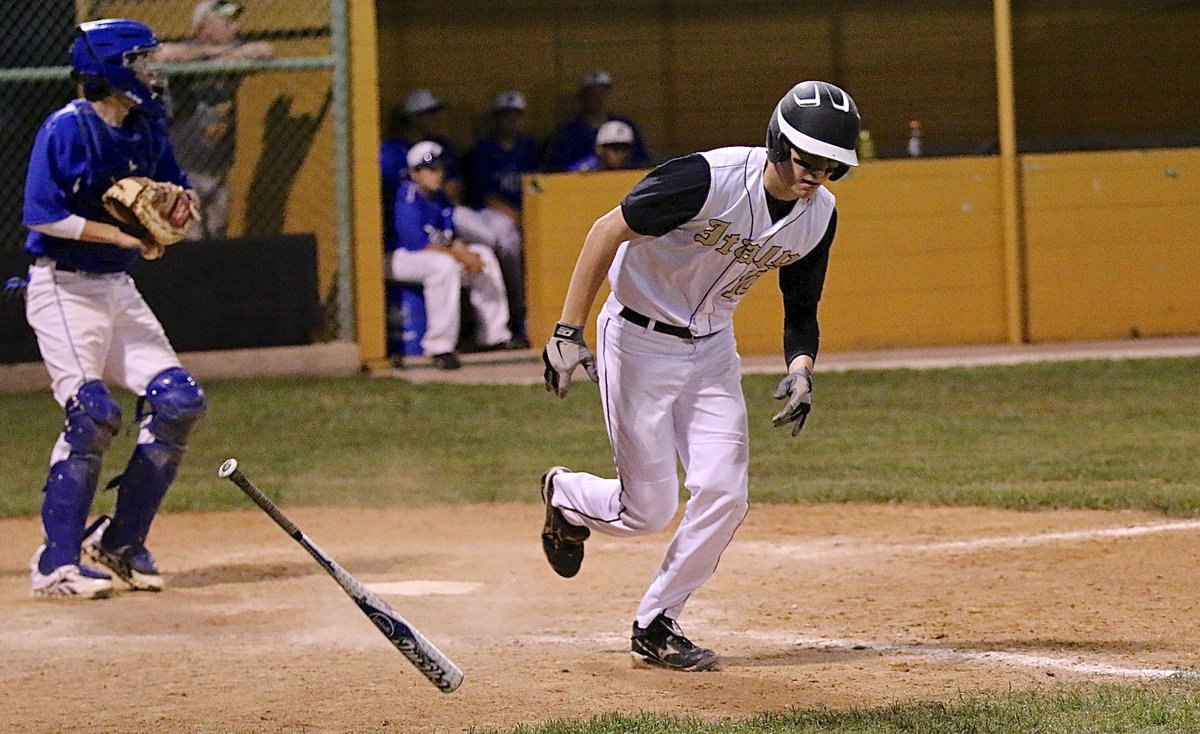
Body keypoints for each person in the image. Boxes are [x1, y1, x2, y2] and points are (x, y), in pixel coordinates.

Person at [538, 80, 861, 670]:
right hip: (635, 341)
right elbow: (605, 231)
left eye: (831, 166)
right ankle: (566, 497)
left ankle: (656, 623)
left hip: (713, 352)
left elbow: (802, 305)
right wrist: (566, 331)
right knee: (648, 511)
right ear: (777, 141)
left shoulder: (819, 217)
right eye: (806, 159)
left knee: (725, 492)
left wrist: (801, 368)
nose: (815, 175)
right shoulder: (707, 180)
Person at [21, 19, 208, 599]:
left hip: (116, 290)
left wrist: (172, 218)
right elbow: (42, 215)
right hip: (63, 290)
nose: (151, 72)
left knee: (178, 401)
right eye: (140, 61)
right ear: (107, 69)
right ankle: (55, 565)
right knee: (93, 412)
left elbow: (178, 192)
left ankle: (120, 542)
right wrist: (123, 236)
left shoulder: (148, 127)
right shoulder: (66, 128)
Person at [156, 0, 274, 240]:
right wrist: (211, 54)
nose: (234, 29)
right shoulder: (186, 53)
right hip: (183, 169)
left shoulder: (233, 53)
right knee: (191, 239)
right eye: (227, 23)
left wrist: (226, 56)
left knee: (219, 236)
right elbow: (161, 54)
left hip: (218, 168)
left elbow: (265, 50)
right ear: (204, 27)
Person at [389, 141, 512, 369]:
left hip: (430, 255)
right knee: (444, 267)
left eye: (440, 168)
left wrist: (466, 253)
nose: (438, 174)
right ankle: (439, 347)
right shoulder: (407, 196)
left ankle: (494, 336)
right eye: (431, 169)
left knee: (483, 255)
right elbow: (418, 243)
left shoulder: (439, 197)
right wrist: (460, 256)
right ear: (415, 172)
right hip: (399, 257)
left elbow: (447, 237)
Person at [463, 90, 540, 346]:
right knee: (507, 243)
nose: (510, 121)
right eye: (505, 115)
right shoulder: (483, 150)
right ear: (496, 119)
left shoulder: (530, 148)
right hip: (493, 216)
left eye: (515, 115)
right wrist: (519, 218)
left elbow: (541, 186)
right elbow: (486, 196)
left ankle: (529, 316)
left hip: (526, 216)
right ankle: (517, 316)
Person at [542, 69, 650, 172]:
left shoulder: (625, 126)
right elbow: (557, 168)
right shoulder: (569, 131)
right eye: (593, 93)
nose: (599, 98)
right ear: (583, 97)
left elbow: (641, 163)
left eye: (603, 93)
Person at [565, 119, 638, 172]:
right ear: (599, 148)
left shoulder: (635, 172)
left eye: (625, 148)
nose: (620, 153)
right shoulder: (581, 172)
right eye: (614, 148)